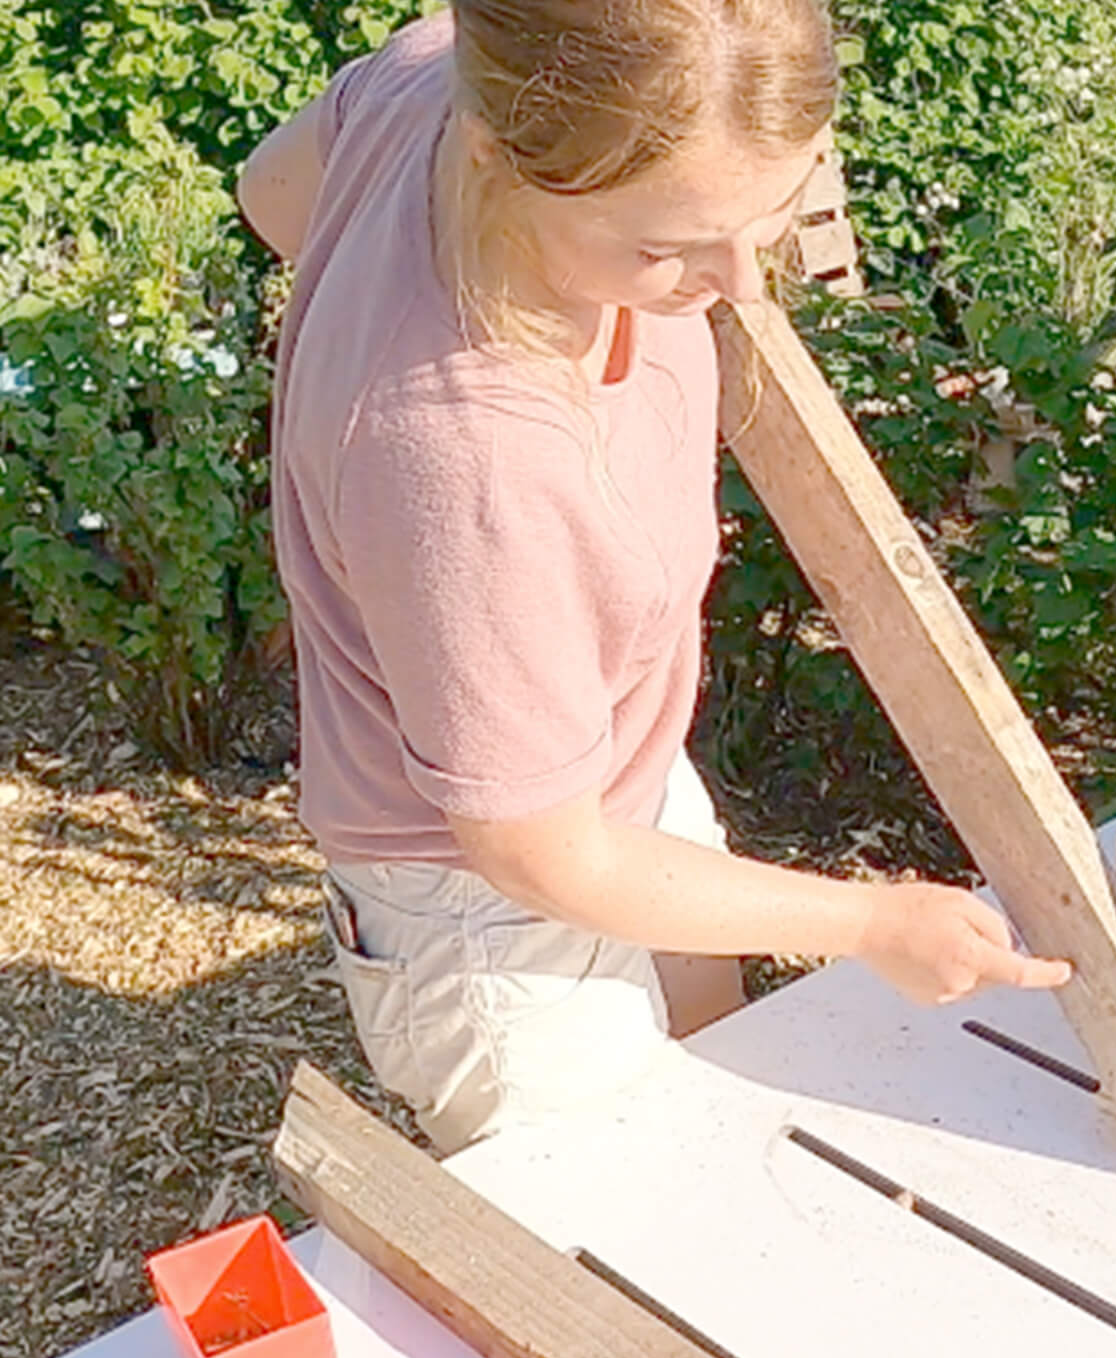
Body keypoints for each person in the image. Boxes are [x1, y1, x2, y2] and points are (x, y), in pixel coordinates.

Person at [236, 0, 1072, 1153]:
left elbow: (270, 190)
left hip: (610, 763)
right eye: (667, 244)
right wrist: (873, 919)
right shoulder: (473, 456)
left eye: (766, 215)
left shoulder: (446, 77)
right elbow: (542, 853)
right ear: (502, 158)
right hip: (496, 920)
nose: (738, 283)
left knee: (710, 1099)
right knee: (611, 1226)